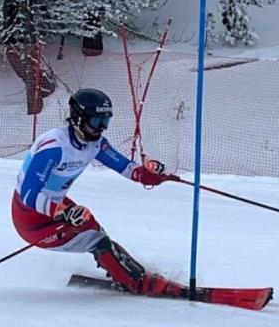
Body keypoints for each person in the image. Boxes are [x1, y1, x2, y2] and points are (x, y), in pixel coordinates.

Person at [11, 88, 183, 296]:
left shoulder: (95, 144)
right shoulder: (54, 146)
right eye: (95, 122)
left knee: (96, 232)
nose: (101, 129)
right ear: (78, 118)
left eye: (106, 122)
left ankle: (129, 273)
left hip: (57, 206)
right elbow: (28, 195)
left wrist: (150, 174)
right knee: (95, 237)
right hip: (31, 219)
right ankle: (138, 282)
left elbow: (128, 168)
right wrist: (63, 212)